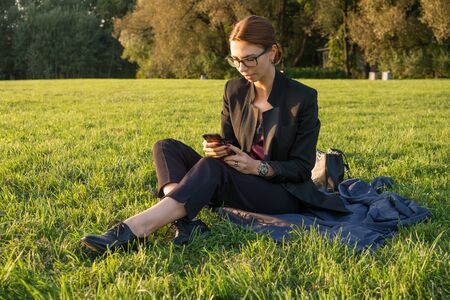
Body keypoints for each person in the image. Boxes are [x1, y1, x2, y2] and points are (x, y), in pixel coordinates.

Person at [81, 15, 349, 254]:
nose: (242, 68)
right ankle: (185, 221)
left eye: (250, 59)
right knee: (166, 147)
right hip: (237, 177)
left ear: (273, 53)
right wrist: (219, 150)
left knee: (211, 169)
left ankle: (133, 230)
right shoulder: (234, 90)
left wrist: (258, 167)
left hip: (283, 192)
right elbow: (231, 143)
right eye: (235, 60)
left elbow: (302, 168)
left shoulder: (302, 98)